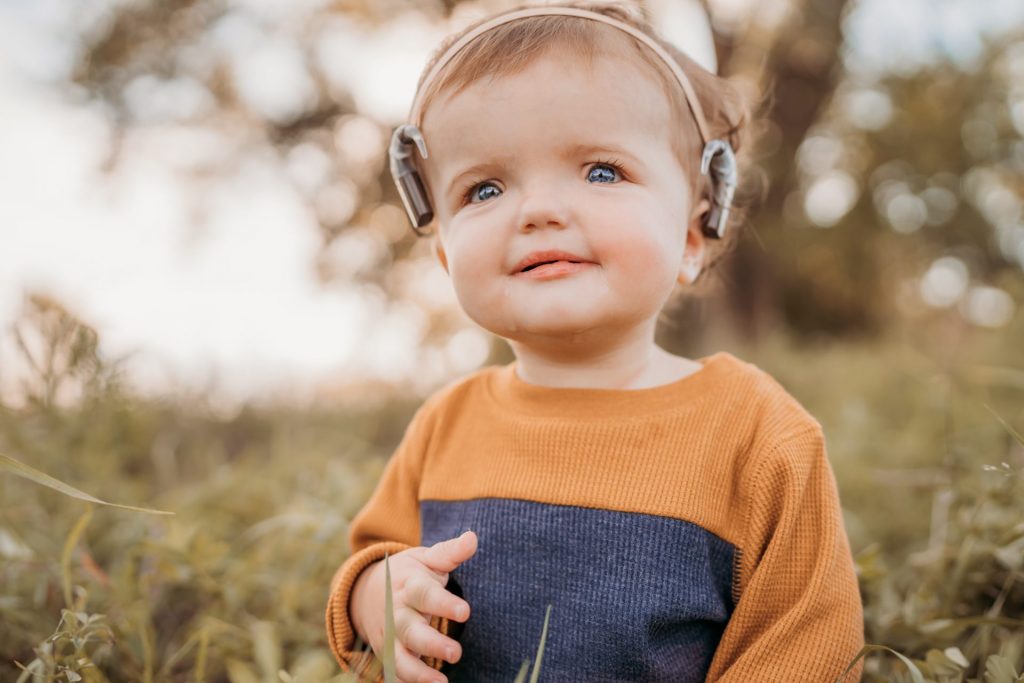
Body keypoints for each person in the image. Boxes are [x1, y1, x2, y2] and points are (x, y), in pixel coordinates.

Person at [325, 2, 865, 681]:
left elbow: (805, 636)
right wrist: (379, 598)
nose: (539, 210)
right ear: (444, 258)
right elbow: (375, 556)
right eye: (485, 188)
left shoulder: (758, 434)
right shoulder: (445, 424)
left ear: (691, 239)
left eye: (602, 171)